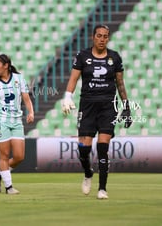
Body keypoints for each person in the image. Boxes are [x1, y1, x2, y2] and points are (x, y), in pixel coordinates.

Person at [61, 24, 132, 199]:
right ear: (93, 37)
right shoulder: (83, 56)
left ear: (108, 38)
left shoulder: (114, 58)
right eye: (99, 36)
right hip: (87, 106)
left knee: (102, 146)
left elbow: (120, 84)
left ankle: (102, 189)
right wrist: (68, 96)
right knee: (83, 150)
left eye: (105, 36)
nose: (102, 39)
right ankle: (87, 172)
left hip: (108, 106)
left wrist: (127, 106)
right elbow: (74, 78)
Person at [0, 54, 34, 194]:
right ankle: (9, 187)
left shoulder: (18, 79)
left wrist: (31, 112)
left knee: (19, 157)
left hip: (16, 121)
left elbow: (26, 98)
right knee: (4, 155)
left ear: (6, 65)